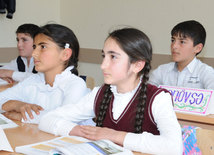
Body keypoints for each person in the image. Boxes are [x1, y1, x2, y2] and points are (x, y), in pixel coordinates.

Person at [39, 28, 183, 154]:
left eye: (113, 57)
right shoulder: (101, 93)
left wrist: (114, 136)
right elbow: (46, 119)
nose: (103, 65)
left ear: (137, 65)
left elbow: (174, 147)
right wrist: (81, 131)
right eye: (104, 56)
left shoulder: (158, 98)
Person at [0, 24, 89, 124]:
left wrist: (20, 116)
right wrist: (15, 105)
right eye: (34, 47)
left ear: (65, 54)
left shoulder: (75, 84)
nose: (34, 53)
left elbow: (62, 120)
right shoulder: (34, 80)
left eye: (43, 47)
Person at [149, 20, 214, 90]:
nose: (174, 46)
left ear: (198, 48)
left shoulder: (206, 72)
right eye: (173, 40)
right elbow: (145, 93)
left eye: (182, 42)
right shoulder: (162, 70)